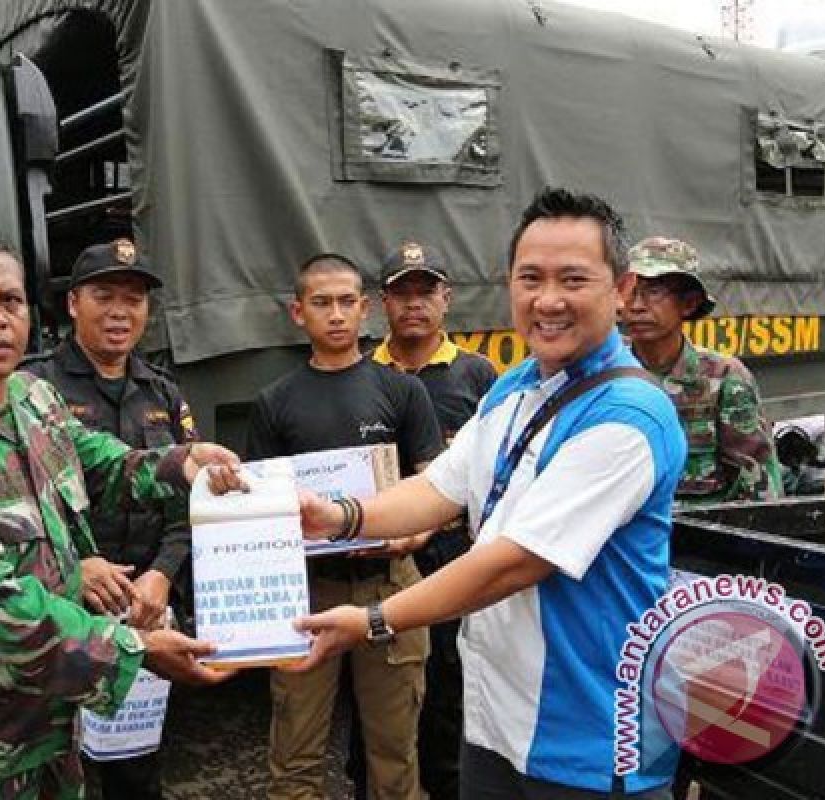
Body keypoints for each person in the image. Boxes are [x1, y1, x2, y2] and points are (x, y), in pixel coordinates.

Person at [270, 188, 686, 799]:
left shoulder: (628, 416)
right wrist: (336, 516)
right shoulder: (515, 386)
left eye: (573, 279)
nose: (548, 300)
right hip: (498, 723)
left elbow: (514, 561)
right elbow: (439, 488)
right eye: (530, 278)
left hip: (588, 740)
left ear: (620, 289)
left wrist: (372, 620)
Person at [0, 229, 243, 799]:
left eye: (10, 301)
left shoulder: (32, 399)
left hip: (51, 731)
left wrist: (183, 463)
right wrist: (137, 651)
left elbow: (100, 462)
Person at [245, 253, 442, 800]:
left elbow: (433, 488)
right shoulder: (274, 402)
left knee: (394, 753)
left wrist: (413, 534)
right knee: (295, 753)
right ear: (297, 312)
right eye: (321, 302)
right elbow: (259, 508)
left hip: (389, 587)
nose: (336, 314)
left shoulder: (402, 391)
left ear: (366, 308)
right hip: (307, 592)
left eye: (347, 302)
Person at [23, 238, 197, 800]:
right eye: (105, 295)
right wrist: (77, 565)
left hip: (142, 604)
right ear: (74, 304)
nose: (121, 311)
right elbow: (16, 504)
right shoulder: (33, 388)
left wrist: (162, 574)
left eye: (134, 299)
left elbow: (186, 502)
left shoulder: (162, 392)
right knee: (52, 756)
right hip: (59, 604)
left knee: (135, 765)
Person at [372, 241, 497, 800]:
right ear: (383, 303)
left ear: (447, 300)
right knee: (379, 699)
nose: (414, 304)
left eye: (426, 292)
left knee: (449, 692)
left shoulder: (477, 374)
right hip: (380, 555)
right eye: (402, 293)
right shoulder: (359, 372)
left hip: (452, 555)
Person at [622, 236, 782, 506]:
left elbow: (759, 488)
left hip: (702, 540)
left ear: (688, 303)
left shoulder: (724, 379)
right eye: (630, 292)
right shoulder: (607, 375)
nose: (636, 306)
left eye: (654, 292)